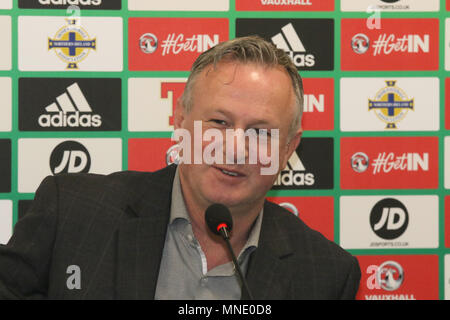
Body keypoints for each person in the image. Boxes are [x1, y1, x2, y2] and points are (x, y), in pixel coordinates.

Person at [0, 36, 360, 300]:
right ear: (181, 121)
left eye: (260, 132)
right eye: (218, 122)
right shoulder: (73, 213)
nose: (234, 148)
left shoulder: (326, 275)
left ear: (288, 149)